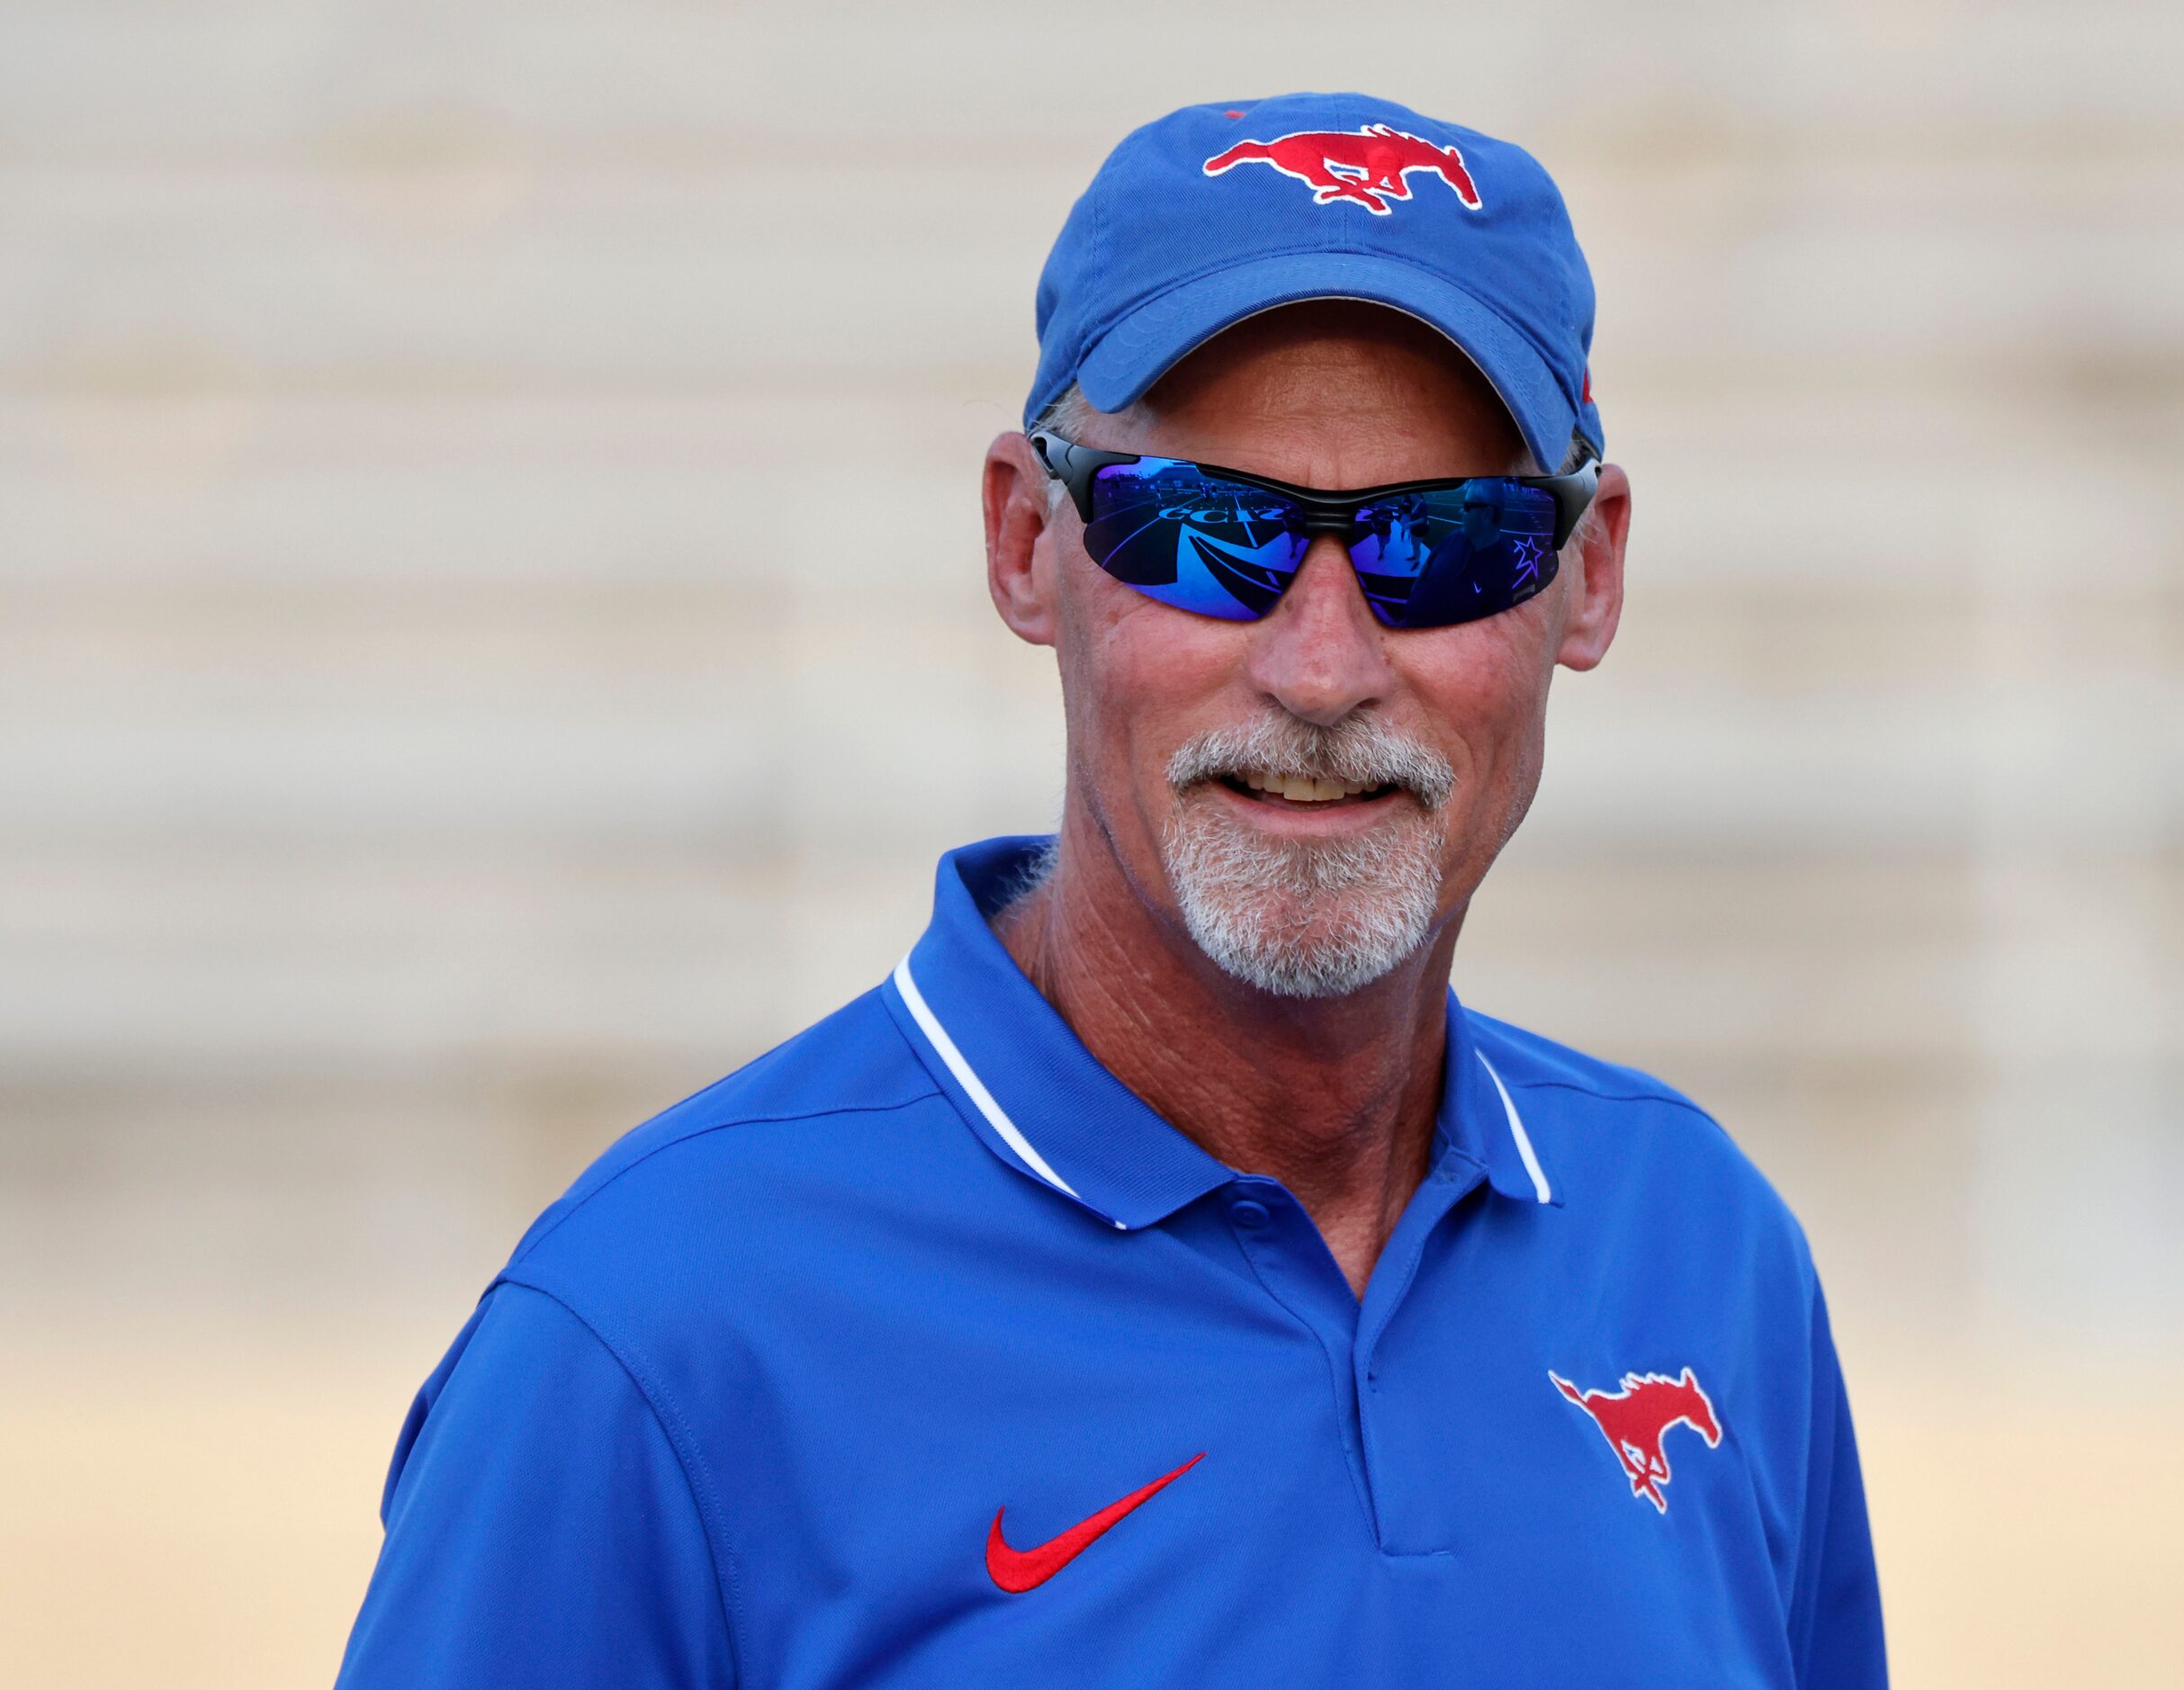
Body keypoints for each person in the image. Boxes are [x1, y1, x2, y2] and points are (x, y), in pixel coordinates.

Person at [336, 91, 1886, 1688]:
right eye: (1205, 532)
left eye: (1444, 545)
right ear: (1024, 540)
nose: (1322, 665)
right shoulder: (654, 1334)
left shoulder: (1703, 1249)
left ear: (1590, 575)